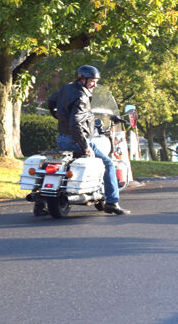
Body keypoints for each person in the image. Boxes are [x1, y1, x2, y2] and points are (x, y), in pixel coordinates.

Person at [48, 65, 129, 215]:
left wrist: (59, 117)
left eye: (96, 81)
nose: (95, 84)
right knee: (109, 163)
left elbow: (51, 102)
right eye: (92, 81)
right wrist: (85, 146)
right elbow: (76, 124)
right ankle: (112, 202)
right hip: (76, 140)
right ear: (82, 79)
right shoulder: (82, 98)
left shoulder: (66, 88)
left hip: (62, 138)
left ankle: (41, 204)